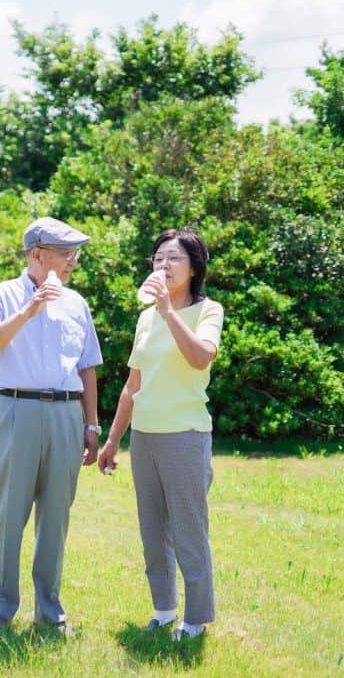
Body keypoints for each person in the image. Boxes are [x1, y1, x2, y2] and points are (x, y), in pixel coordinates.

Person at [0, 216, 103, 632]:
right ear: (36, 254)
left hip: (66, 414)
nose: (72, 262)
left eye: (74, 254)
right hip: (16, 411)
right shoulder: (2, 295)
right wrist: (29, 311)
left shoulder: (77, 304)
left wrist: (93, 425)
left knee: (56, 518)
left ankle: (49, 612)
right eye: (66, 254)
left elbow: (87, 369)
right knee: (8, 516)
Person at [98, 227, 224, 642]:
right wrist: (114, 440)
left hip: (185, 435)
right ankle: (164, 609)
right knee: (153, 530)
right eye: (157, 259)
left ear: (194, 268)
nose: (163, 265)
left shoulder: (208, 311)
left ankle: (197, 619)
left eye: (173, 258)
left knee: (188, 530)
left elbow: (200, 357)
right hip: (146, 438)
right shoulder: (144, 318)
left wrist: (169, 312)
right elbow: (133, 386)